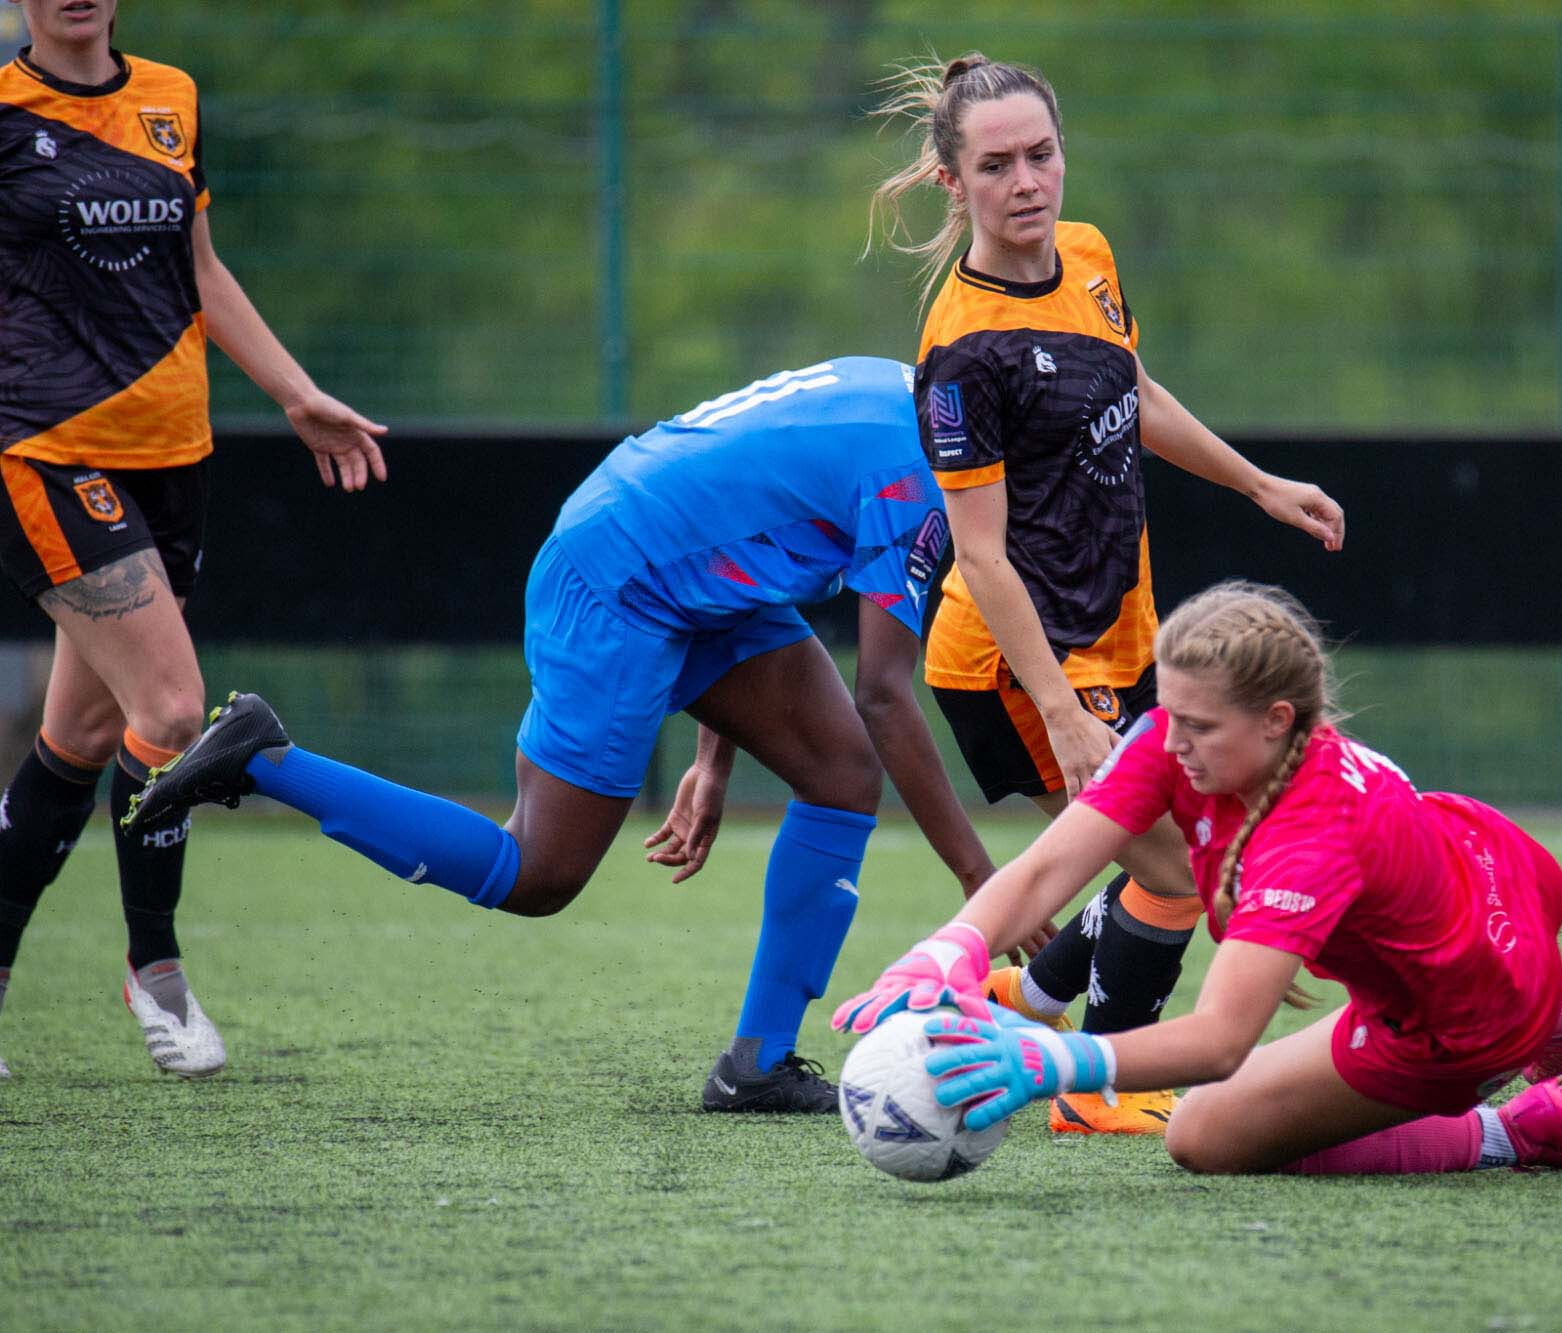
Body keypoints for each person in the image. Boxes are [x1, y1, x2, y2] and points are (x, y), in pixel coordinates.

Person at [127, 356, 998, 1113]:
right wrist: (985, 890)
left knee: (841, 774)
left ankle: (757, 1066)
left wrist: (713, 757)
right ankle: (268, 758)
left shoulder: (904, 392)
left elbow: (754, 524)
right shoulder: (916, 475)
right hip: (618, 577)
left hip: (676, 556)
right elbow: (883, 692)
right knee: (536, 872)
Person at [867, 53, 1348, 1134]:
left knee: (1160, 863)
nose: (1027, 182)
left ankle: (1028, 1001)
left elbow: (1127, 386)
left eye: (1042, 155)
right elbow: (980, 558)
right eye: (995, 165)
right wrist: (1058, 713)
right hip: (1013, 664)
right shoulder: (963, 354)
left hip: (1118, 633)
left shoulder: (1085, 254)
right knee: (1176, 869)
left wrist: (1258, 484)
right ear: (953, 182)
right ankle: (1088, 1089)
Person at [836, 581, 1562, 1175]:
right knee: (1462, 950)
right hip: (1497, 875)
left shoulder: (1311, 838)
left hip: (1460, 1016)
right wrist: (953, 945)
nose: (1170, 741)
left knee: (1203, 1137)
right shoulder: (1185, 737)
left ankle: (1516, 1128)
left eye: (1200, 725)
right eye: (1169, 711)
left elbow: (1219, 1041)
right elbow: (1052, 861)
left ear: (1276, 720)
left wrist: (1055, 1060)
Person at [0, 0, 387, 1080]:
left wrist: (298, 393)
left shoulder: (172, 96)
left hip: (175, 454)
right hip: (48, 451)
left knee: (78, 740)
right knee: (172, 710)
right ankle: (156, 968)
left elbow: (201, 272)